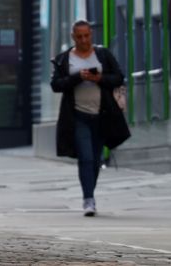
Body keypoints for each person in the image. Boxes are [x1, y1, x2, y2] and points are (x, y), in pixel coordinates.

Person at [51, 20, 129, 217]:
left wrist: (98, 79)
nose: (84, 40)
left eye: (87, 36)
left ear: (91, 35)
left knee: (95, 159)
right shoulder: (65, 59)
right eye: (79, 37)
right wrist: (78, 77)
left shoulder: (102, 55)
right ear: (73, 37)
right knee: (85, 157)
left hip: (102, 116)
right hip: (78, 116)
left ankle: (90, 193)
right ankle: (88, 199)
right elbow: (56, 85)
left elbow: (119, 77)